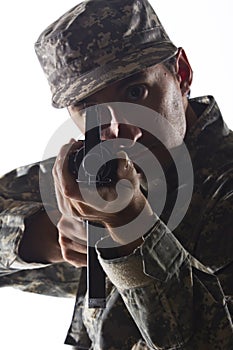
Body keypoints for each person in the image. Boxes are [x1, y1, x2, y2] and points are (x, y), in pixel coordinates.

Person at [0, 0, 232, 349]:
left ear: (181, 73)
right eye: (90, 110)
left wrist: (130, 229)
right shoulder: (88, 179)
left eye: (135, 92)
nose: (122, 132)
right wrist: (48, 235)